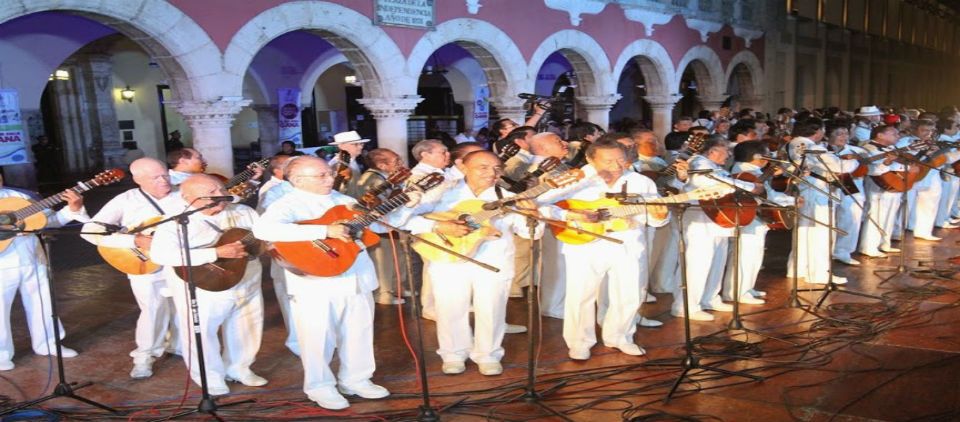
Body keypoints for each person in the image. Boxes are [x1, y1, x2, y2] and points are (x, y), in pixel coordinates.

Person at [253, 156, 405, 410]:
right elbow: (264, 230)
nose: (330, 178)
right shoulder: (286, 204)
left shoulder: (344, 201)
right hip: (315, 280)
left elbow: (377, 227)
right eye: (321, 175)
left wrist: (403, 205)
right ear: (298, 180)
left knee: (359, 331)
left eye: (329, 173)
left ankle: (357, 379)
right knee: (317, 337)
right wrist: (323, 231)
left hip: (355, 275)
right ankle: (319, 386)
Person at [402, 150, 542, 374]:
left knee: (492, 308)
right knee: (450, 308)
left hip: (494, 260)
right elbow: (405, 218)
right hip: (447, 257)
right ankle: (453, 354)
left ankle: (488, 355)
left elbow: (530, 234)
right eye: (483, 167)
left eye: (497, 168)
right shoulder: (442, 192)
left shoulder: (508, 197)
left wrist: (531, 213)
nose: (491, 173)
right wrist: (439, 226)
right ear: (464, 168)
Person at [539, 137, 668, 360]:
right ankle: (580, 342)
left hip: (628, 242)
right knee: (581, 294)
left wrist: (659, 215)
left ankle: (621, 336)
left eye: (621, 160)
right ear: (591, 159)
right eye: (608, 161)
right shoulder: (575, 179)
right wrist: (569, 215)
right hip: (584, 243)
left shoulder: (640, 181)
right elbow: (539, 205)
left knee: (630, 292)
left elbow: (655, 220)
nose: (616, 166)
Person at [150, 175, 266, 395]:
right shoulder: (177, 220)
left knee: (247, 324)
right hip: (202, 286)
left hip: (247, 279)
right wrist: (216, 253)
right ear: (188, 198)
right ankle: (209, 376)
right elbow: (161, 254)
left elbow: (264, 237)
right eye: (210, 193)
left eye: (220, 189)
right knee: (203, 331)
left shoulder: (243, 212)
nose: (219, 195)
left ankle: (240, 368)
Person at [80, 157, 179, 379]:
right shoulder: (126, 200)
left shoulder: (183, 194)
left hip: (181, 261)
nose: (164, 181)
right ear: (137, 180)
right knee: (152, 310)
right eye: (155, 178)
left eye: (165, 175)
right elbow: (90, 231)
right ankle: (144, 357)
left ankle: (180, 346)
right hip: (144, 263)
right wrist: (133, 241)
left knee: (186, 308)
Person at [0, 178, 88, 370]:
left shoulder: (20, 198)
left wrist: (73, 207)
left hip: (32, 258)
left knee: (43, 302)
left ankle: (48, 343)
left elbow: (51, 221)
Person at [674, 136, 759, 321]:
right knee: (698, 264)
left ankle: (710, 298)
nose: (729, 154)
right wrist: (750, 187)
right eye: (725, 150)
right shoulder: (697, 163)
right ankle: (686, 306)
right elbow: (716, 184)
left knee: (717, 260)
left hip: (715, 219)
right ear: (712, 151)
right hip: (700, 220)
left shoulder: (711, 166)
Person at [723, 141, 795, 304]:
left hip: (755, 218)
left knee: (754, 255)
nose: (768, 157)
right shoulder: (745, 172)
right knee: (745, 256)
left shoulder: (751, 170)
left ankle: (747, 287)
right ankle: (737, 291)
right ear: (756, 156)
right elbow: (767, 196)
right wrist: (792, 200)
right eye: (766, 153)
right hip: (747, 218)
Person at [786, 118, 847, 285]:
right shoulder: (814, 147)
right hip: (816, 192)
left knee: (804, 232)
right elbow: (838, 167)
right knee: (821, 234)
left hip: (805, 191)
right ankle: (819, 272)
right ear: (817, 131)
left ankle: (798, 269)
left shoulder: (792, 144)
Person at [357, 148, 410, 305]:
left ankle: (396, 286)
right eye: (396, 161)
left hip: (391, 223)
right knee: (383, 259)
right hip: (377, 224)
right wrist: (399, 190)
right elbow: (378, 204)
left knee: (395, 257)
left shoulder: (386, 177)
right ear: (381, 165)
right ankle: (383, 292)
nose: (400, 164)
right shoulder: (373, 178)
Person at [859, 125, 909, 258]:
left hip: (893, 183)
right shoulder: (869, 148)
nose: (897, 136)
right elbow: (872, 170)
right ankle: (869, 247)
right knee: (876, 215)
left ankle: (884, 243)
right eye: (894, 133)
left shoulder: (892, 148)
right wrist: (887, 162)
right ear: (880, 135)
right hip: (877, 184)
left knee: (890, 215)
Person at [825, 122, 868, 266]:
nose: (844, 137)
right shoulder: (822, 150)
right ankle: (825, 252)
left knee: (851, 218)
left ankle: (842, 251)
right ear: (828, 135)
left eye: (846, 133)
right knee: (828, 221)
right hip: (828, 186)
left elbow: (859, 167)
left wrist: (858, 158)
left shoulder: (856, 150)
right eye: (839, 134)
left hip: (851, 186)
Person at [329, 131, 369, 197]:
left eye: (361, 144)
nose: (360, 147)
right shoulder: (337, 164)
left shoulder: (352, 160)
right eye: (355, 144)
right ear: (341, 146)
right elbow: (335, 190)